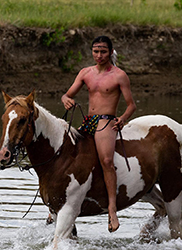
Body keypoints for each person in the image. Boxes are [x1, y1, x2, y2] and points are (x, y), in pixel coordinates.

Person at [61, 35, 136, 233]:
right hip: (88, 121)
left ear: (110, 52)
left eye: (103, 51)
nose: (99, 55)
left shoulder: (120, 75)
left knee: (106, 161)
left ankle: (112, 209)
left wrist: (122, 118)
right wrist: (65, 99)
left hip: (106, 121)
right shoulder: (86, 73)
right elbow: (68, 94)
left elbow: (131, 105)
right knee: (66, 154)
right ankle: (62, 203)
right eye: (96, 51)